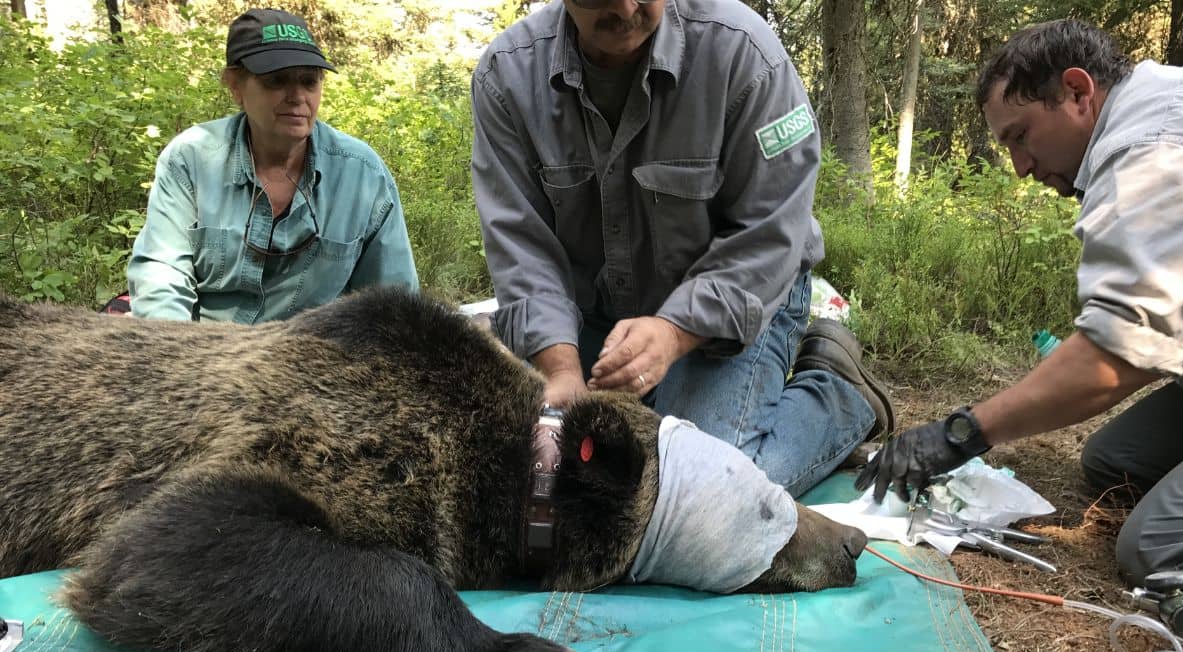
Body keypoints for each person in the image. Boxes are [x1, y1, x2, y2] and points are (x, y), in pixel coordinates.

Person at [856, 18, 1183, 589]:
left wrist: (962, 433)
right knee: (1115, 463)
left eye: (1021, 136)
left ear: (1078, 93)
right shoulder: (1162, 112)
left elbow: (1118, 357)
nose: (1021, 168)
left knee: (1166, 543)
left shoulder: (1160, 146)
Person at [469, 0, 895, 496]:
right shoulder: (507, 76)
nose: (626, 9)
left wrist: (674, 333)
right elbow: (522, 247)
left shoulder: (745, 54)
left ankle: (838, 397)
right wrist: (561, 370)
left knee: (694, 491)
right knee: (541, 476)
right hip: (592, 313)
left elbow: (770, 233)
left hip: (743, 301)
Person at [127, 8, 418, 323]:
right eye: (275, 81)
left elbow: (394, 307)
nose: (297, 96)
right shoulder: (191, 159)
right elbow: (162, 280)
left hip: (312, 360)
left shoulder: (363, 176)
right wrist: (178, 360)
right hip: (204, 353)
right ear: (235, 86)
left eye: (309, 81)